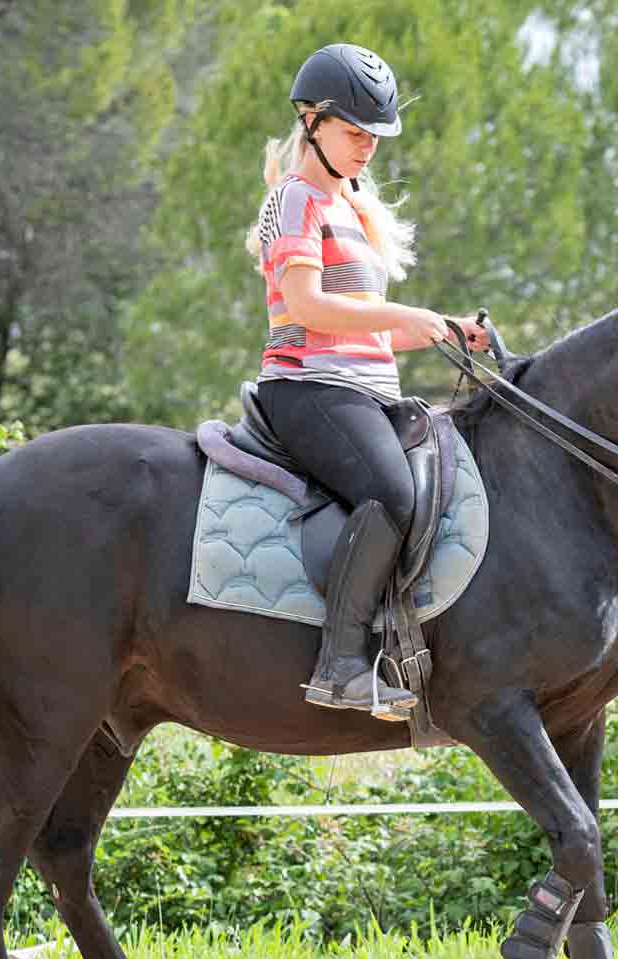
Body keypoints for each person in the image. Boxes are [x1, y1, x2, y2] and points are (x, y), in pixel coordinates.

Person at [246, 42, 489, 720]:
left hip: (366, 390)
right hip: (309, 388)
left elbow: (371, 328)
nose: (367, 148)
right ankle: (341, 665)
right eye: (355, 132)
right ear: (311, 120)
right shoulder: (293, 200)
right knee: (390, 488)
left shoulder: (352, 209)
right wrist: (405, 312)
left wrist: (443, 326)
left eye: (374, 137)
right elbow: (307, 308)